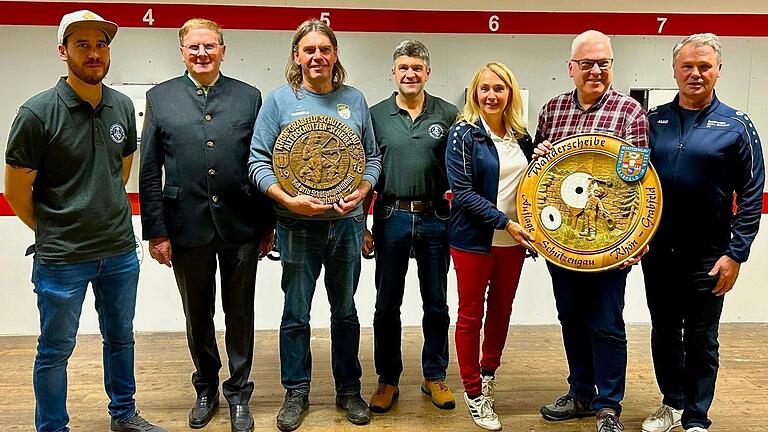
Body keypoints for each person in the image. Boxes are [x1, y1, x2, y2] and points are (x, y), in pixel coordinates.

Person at [4, 10, 165, 432]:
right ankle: (53, 427)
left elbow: (121, 168)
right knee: (55, 350)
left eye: (101, 44)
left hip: (118, 252)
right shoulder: (37, 113)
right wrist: (52, 231)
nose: (94, 53)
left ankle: (124, 415)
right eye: (83, 45)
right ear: (63, 52)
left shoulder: (123, 107)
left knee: (121, 339)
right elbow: (17, 191)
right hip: (62, 258)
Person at [139, 18, 274, 432]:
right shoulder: (160, 98)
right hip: (186, 226)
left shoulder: (249, 97)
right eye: (194, 47)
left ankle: (238, 394)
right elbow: (149, 171)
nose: (202, 53)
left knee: (240, 313)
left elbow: (264, 161)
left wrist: (269, 225)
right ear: (182, 51)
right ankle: (205, 388)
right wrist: (156, 232)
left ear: (223, 49)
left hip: (243, 224)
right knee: (197, 313)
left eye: (209, 46)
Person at [248, 19, 381, 431]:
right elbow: (257, 161)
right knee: (296, 313)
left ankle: (348, 390)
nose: (317, 56)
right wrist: (287, 199)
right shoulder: (279, 102)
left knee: (345, 311)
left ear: (335, 54)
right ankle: (296, 391)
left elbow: (372, 158)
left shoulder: (354, 100)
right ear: (297, 56)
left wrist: (362, 190)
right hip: (296, 226)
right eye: (309, 50)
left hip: (346, 225)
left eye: (324, 48)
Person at [640, 33, 764, 432]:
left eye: (704, 66)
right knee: (663, 332)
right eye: (687, 66)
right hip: (658, 251)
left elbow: (750, 195)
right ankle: (671, 403)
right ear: (674, 71)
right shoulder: (652, 121)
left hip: (710, 253)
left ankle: (696, 415)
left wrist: (736, 254)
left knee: (701, 338)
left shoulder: (737, 125)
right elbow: (627, 179)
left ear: (718, 70)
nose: (695, 73)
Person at [533, 30, 648, 432]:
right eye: (587, 63)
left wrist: (636, 240)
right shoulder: (551, 111)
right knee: (571, 319)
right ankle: (581, 391)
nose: (596, 70)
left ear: (612, 65)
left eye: (603, 63)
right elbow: (539, 182)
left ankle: (608, 406)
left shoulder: (630, 113)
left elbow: (638, 184)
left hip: (609, 243)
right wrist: (540, 155)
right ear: (571, 68)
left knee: (607, 324)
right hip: (561, 241)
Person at [364, 40, 458, 413]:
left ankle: (434, 375)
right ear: (393, 72)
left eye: (417, 68)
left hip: (436, 217)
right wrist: (362, 226)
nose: (410, 74)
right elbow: (361, 172)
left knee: (436, 303)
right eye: (403, 67)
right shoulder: (374, 115)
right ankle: (387, 380)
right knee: (387, 305)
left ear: (427, 73)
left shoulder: (448, 114)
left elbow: (462, 170)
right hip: (390, 216)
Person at [445, 62, 536, 431]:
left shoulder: (522, 136)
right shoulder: (462, 134)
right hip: (473, 241)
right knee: (470, 316)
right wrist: (505, 223)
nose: (491, 95)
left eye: (499, 88)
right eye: (484, 88)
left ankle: (488, 375)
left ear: (510, 93)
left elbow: (533, 183)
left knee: (500, 312)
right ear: (474, 93)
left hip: (513, 243)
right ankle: (472, 392)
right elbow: (463, 193)